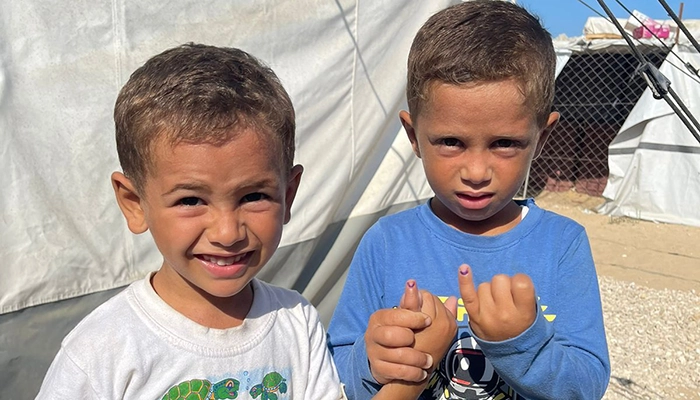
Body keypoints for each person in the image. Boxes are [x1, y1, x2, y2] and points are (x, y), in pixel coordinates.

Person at [327, 1, 611, 399]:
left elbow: (587, 385)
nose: (476, 172)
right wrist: (373, 360)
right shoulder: (387, 242)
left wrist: (522, 345)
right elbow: (336, 369)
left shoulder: (562, 245)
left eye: (504, 143)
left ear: (541, 138)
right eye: (451, 142)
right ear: (413, 137)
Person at [36, 43, 346, 399]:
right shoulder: (100, 352)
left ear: (288, 195)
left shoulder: (297, 322)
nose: (227, 233)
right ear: (134, 203)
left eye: (253, 197)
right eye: (190, 200)